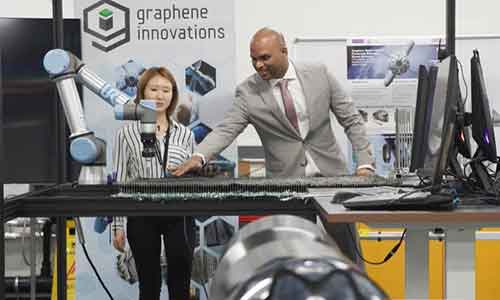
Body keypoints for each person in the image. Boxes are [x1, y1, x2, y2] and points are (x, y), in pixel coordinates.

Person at [171, 27, 375, 267]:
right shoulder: (248, 92)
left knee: (349, 256)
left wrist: (365, 164)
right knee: (293, 262)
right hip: (286, 187)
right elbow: (227, 129)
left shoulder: (319, 74)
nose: (258, 65)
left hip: (333, 181)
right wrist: (198, 156)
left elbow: (351, 119)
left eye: (265, 58)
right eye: (254, 59)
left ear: (284, 51)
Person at [112, 66, 195, 300]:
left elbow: (191, 177)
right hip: (141, 213)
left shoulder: (185, 134)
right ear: (142, 93)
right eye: (154, 89)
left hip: (179, 214)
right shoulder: (126, 134)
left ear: (173, 95)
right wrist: (117, 227)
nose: (160, 96)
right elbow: (121, 180)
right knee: (148, 285)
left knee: (180, 284)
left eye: (166, 90)